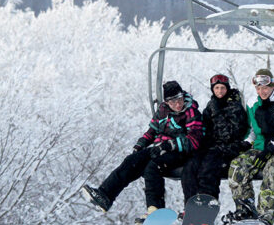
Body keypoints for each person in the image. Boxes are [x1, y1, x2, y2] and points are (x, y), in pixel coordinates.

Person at [82, 81, 202, 215]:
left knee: (152, 167)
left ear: (183, 97)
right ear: (167, 103)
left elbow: (194, 140)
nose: (178, 105)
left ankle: (155, 208)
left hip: (179, 151)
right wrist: (141, 144)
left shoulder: (191, 112)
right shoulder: (163, 111)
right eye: (173, 102)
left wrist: (169, 145)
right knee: (131, 161)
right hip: (160, 148)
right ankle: (105, 195)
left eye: (179, 100)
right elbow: (152, 131)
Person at [225, 68, 274, 225]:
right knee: (237, 166)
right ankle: (245, 207)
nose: (262, 91)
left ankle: (265, 214)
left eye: (265, 88)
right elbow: (253, 130)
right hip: (261, 147)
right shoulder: (253, 104)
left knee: (271, 170)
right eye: (258, 88)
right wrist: (246, 143)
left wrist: (271, 149)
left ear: (272, 85)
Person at [180, 74, 249, 204]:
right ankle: (190, 203)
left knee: (208, 168)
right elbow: (204, 127)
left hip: (229, 148)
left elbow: (231, 134)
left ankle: (208, 201)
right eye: (216, 88)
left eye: (222, 88)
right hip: (211, 147)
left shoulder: (235, 107)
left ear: (227, 89)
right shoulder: (211, 105)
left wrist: (217, 113)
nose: (219, 91)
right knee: (190, 167)